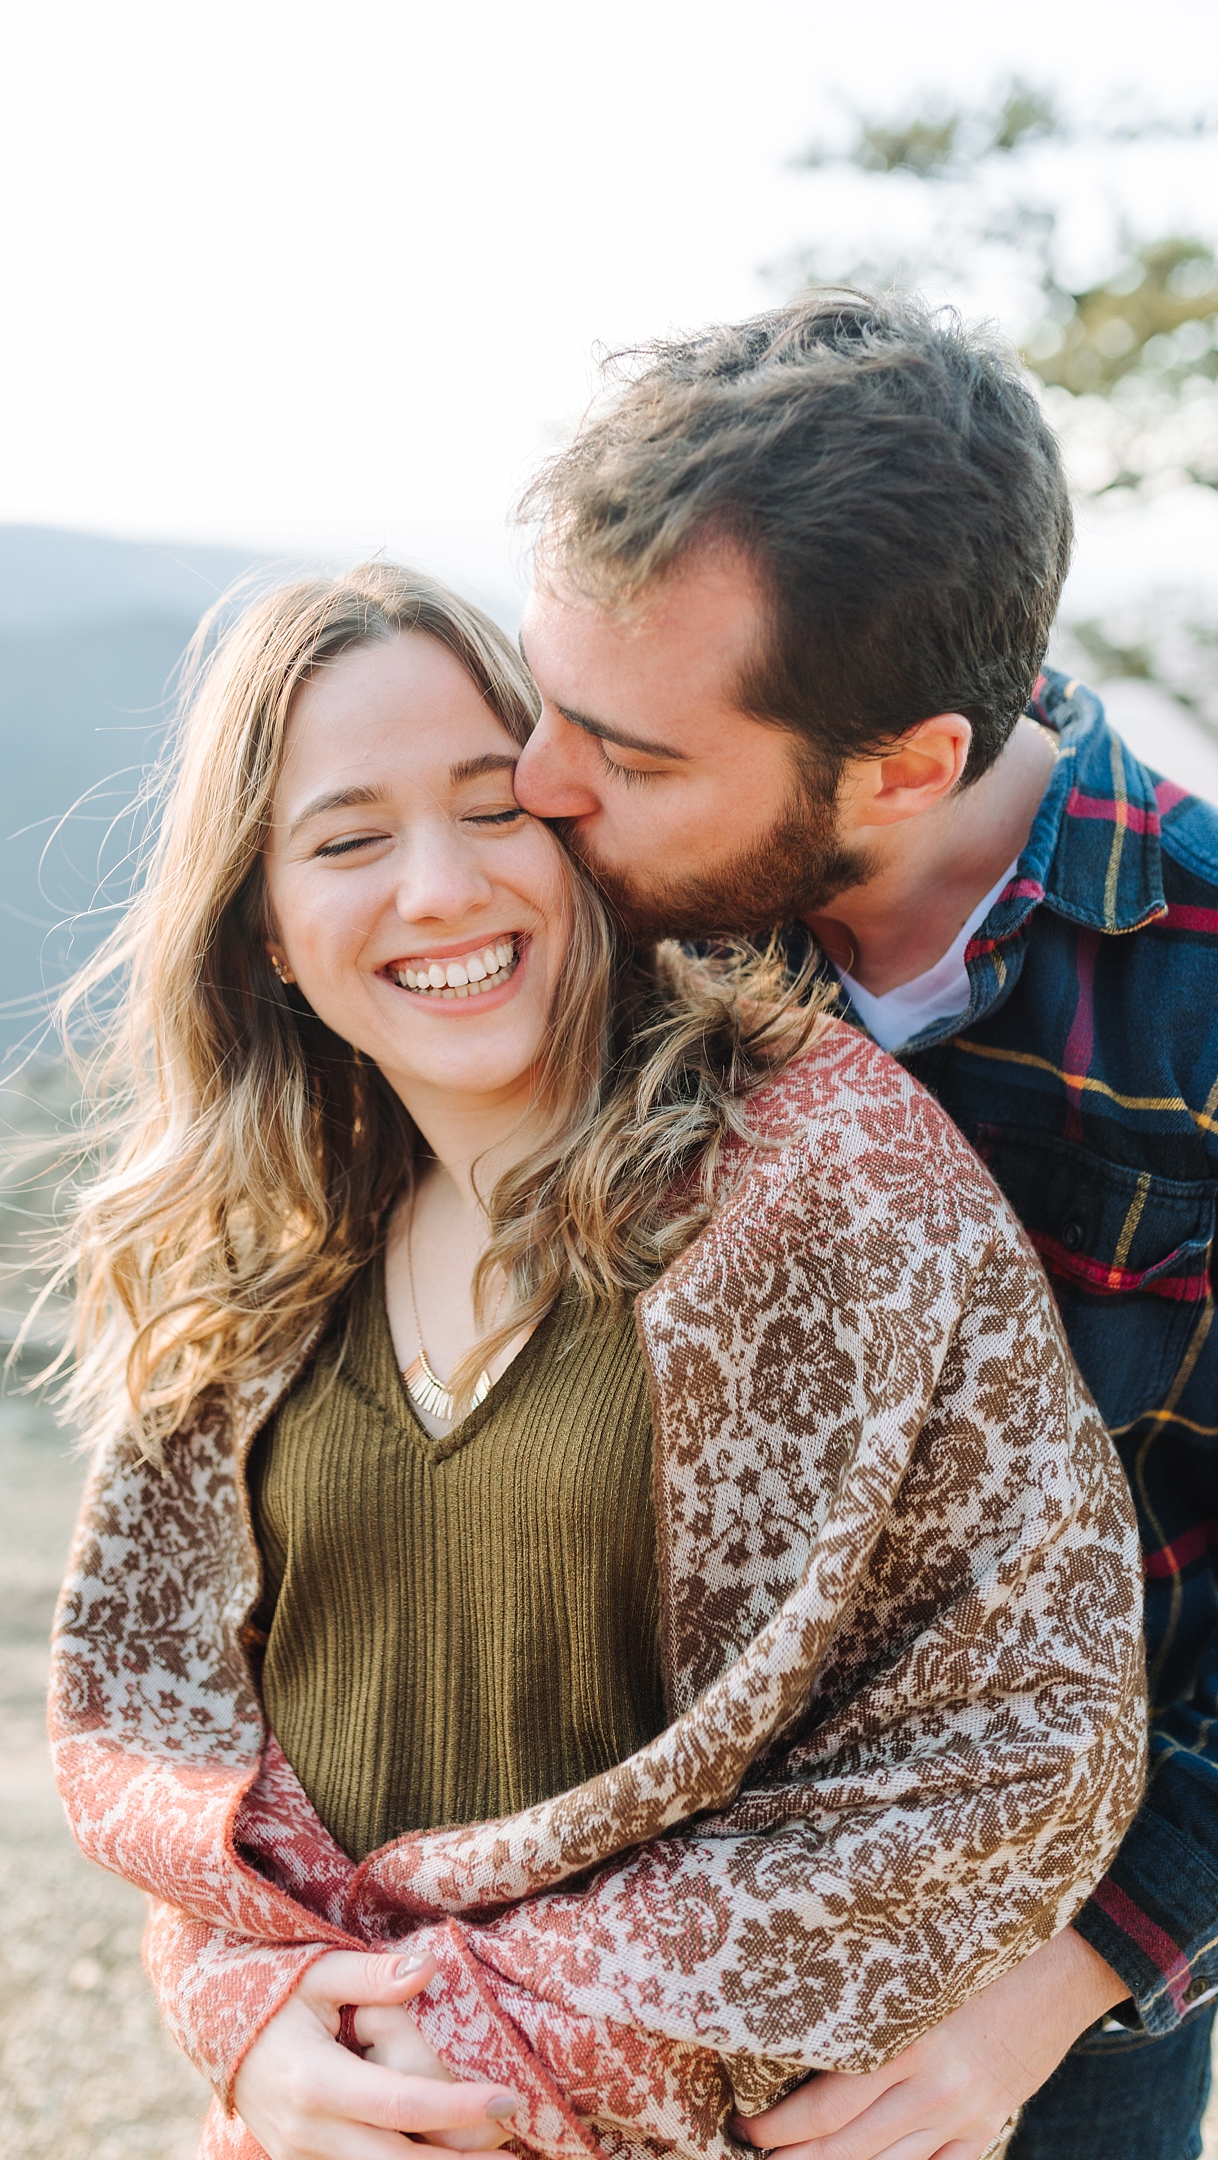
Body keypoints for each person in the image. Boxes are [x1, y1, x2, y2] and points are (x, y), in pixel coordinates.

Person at [45, 561, 1143, 2160]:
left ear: (580, 836)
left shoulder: (813, 1170)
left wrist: (487, 2045)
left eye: (495, 808)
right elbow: (179, 1760)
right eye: (348, 840)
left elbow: (1026, 1732)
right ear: (267, 928)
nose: (436, 888)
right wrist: (250, 2011)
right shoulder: (257, 1274)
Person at [512, 289, 1218, 2160]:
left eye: (639, 756)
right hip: (570, 1964)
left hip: (1019, 2033)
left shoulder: (1208, 999)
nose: (535, 790)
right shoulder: (562, 913)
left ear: (905, 764)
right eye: (543, 703)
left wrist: (1066, 1978)